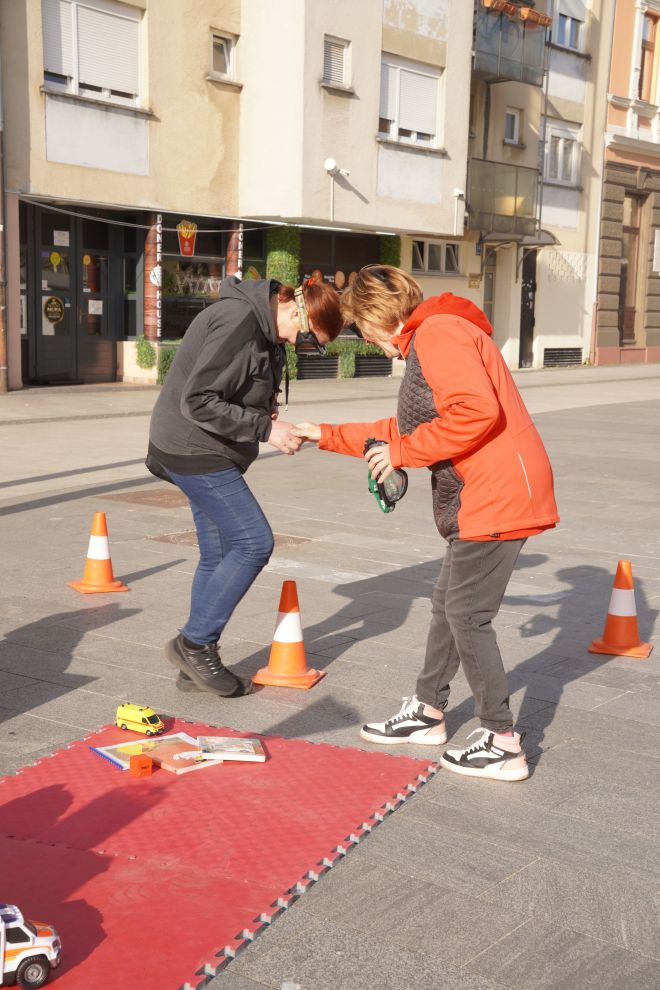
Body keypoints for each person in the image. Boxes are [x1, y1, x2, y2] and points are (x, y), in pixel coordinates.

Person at [293, 265, 558, 781]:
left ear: (375, 319)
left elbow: (474, 412)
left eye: (362, 332)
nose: (369, 343)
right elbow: (406, 428)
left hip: (497, 493)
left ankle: (502, 740)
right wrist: (323, 433)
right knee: (447, 604)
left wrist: (401, 454)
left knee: (466, 614)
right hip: (483, 493)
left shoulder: (438, 333)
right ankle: (427, 712)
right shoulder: (433, 333)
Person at [147, 274, 343, 698]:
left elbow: (234, 389)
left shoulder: (262, 326)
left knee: (218, 554)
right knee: (254, 542)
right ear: (295, 310)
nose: (299, 344)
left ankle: (193, 664)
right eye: (307, 336)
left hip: (202, 447)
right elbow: (198, 399)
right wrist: (267, 430)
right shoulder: (241, 319)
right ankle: (194, 644)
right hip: (193, 449)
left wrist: (271, 420)